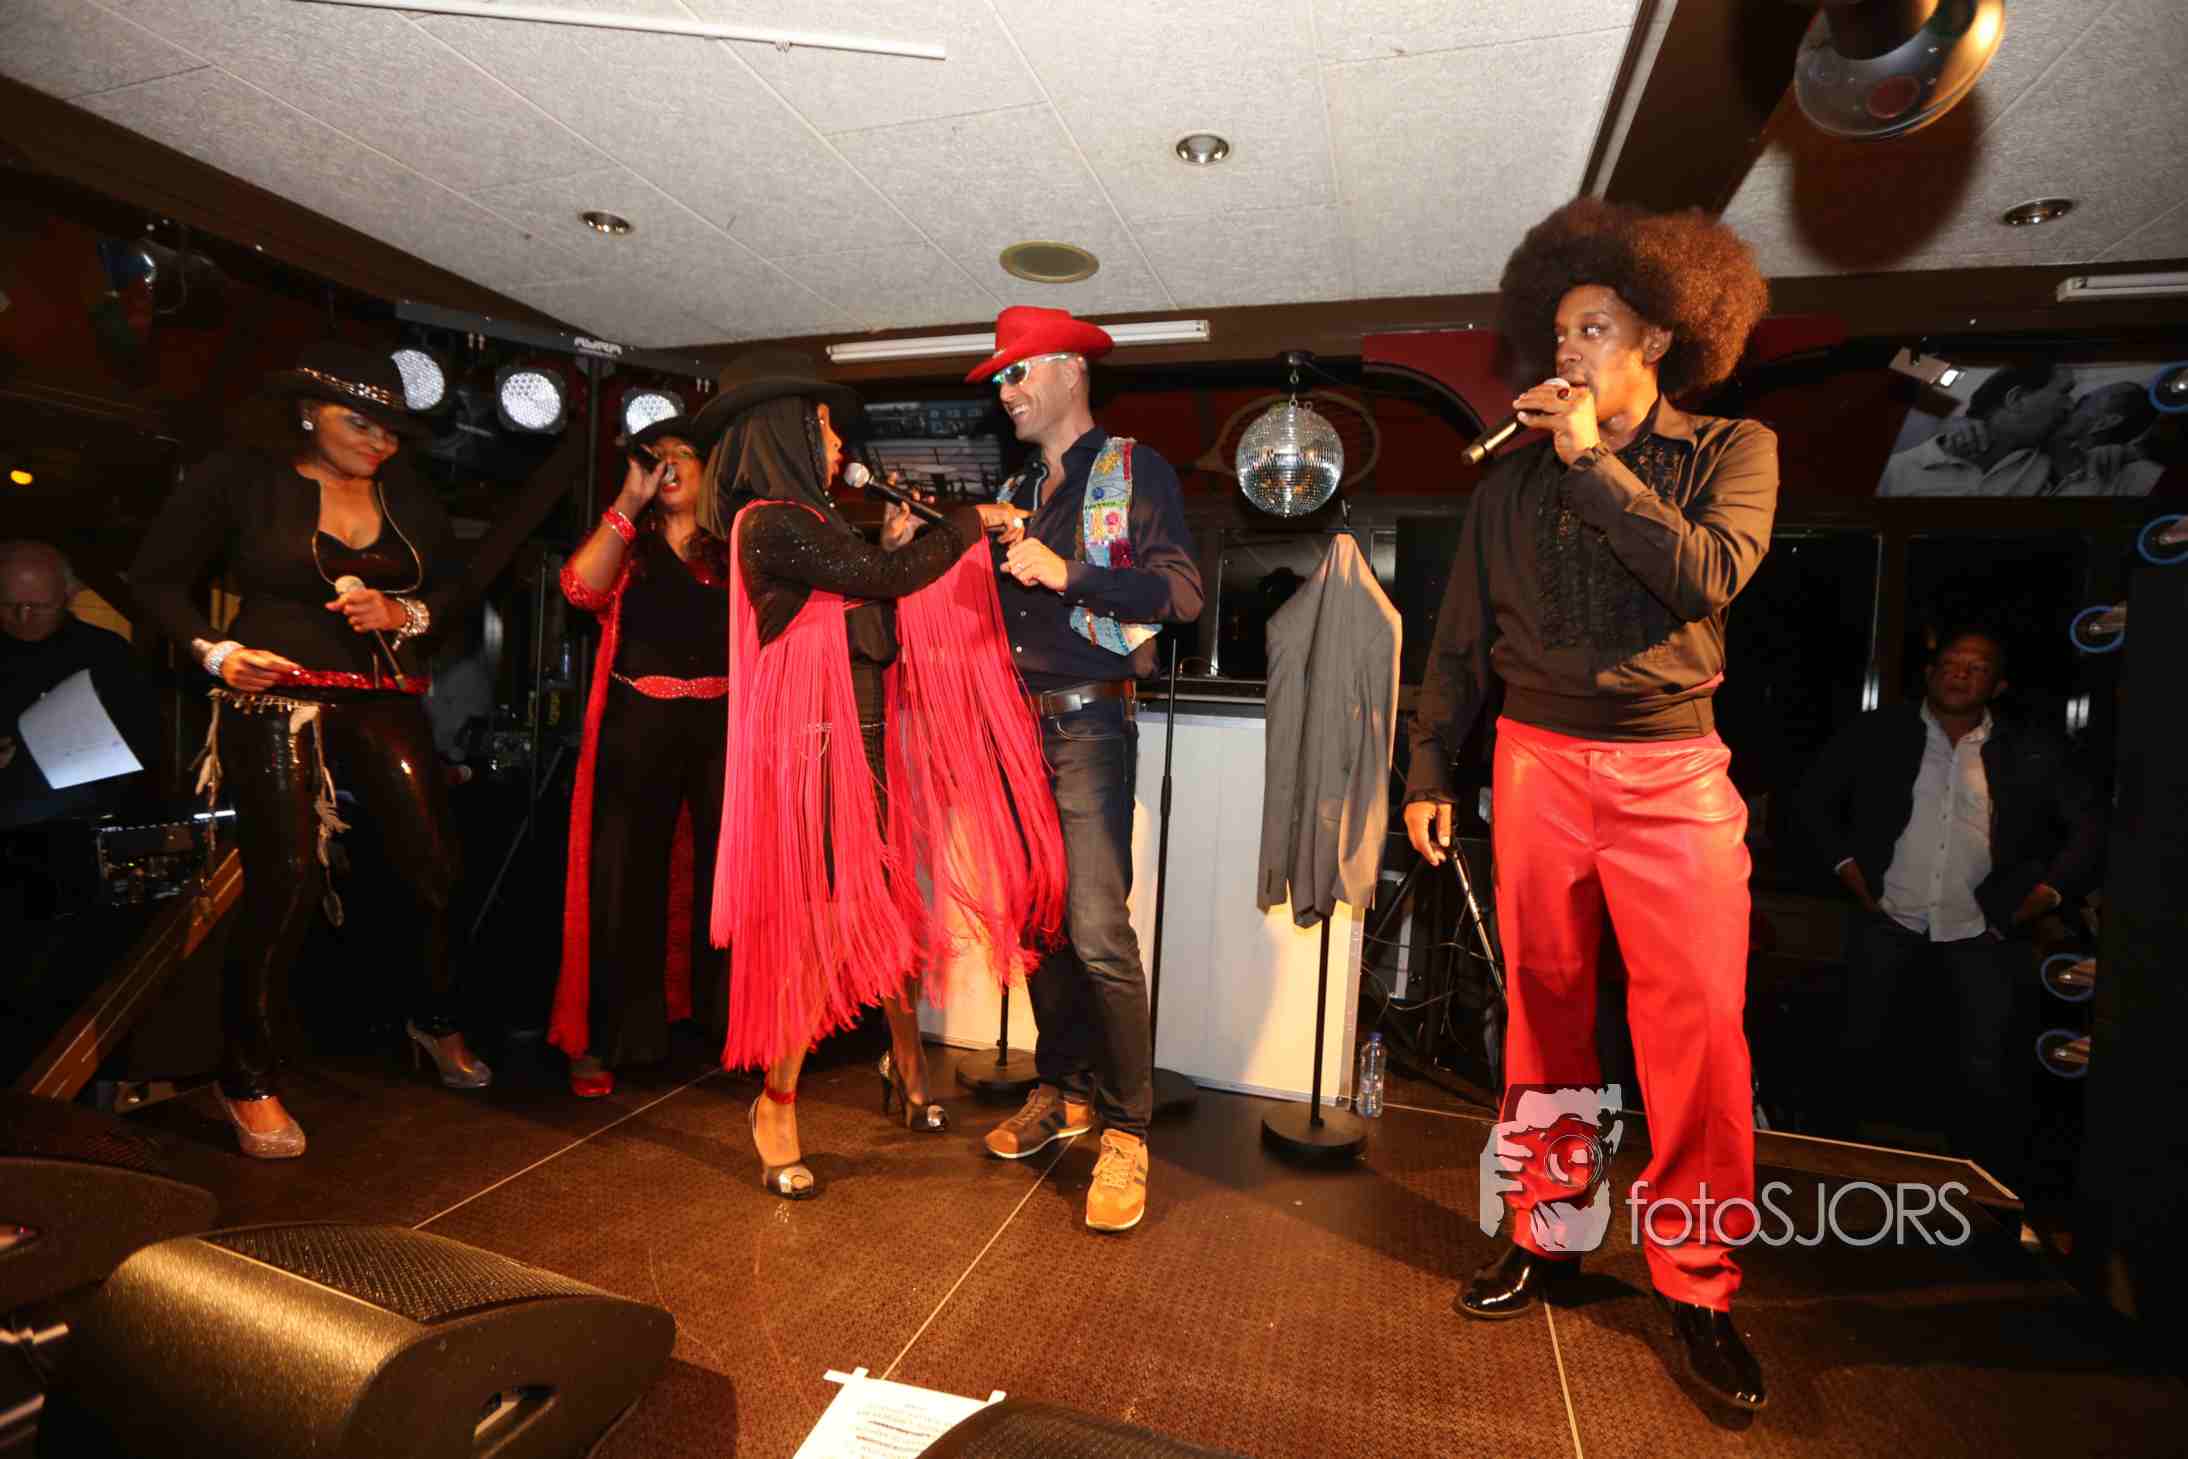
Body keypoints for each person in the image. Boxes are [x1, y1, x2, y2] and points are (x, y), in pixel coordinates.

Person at [1402, 199, 1775, 1410]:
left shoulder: (1732, 450)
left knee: (1698, 1033)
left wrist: (1591, 462)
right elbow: (1459, 639)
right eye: (1558, 332)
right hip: (1536, 761)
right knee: (1544, 1018)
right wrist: (1426, 770)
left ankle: (1697, 1284)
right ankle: (1546, 1233)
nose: (1567, 350)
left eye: (1593, 328)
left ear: (1658, 337)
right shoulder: (1508, 482)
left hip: (1673, 768)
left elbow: (1704, 575)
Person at [703, 350, 1052, 1199]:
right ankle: (776, 1101)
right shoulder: (770, 522)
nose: (837, 447)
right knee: (820, 935)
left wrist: (896, 548)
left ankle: (900, 1068)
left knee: (881, 910)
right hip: (816, 752)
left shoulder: (810, 527)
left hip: (857, 744)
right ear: (786, 433)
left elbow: (875, 601)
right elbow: (882, 579)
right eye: (825, 430)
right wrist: (966, 522)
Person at [130, 340, 488, 1160]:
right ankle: (245, 1074)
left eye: (391, 430)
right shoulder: (239, 478)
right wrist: (218, 653)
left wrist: (406, 614)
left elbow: (457, 588)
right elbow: (154, 580)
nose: (379, 442)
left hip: (380, 692)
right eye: (360, 423)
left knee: (434, 864)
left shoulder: (406, 494)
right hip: (273, 692)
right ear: (306, 412)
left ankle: (431, 1017)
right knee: (287, 876)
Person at [969, 307, 1204, 1235]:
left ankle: (1126, 1129)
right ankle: (1061, 1091)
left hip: (1090, 724)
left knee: (1100, 929)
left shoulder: (1135, 469)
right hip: (1013, 726)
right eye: (1000, 379)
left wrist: (1068, 572)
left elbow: (1180, 592)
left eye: (1018, 373)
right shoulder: (1018, 487)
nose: (1006, 392)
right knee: (1039, 925)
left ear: (1070, 371)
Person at [1794, 626, 2103, 1181]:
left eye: (1977, 667)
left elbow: (2089, 827)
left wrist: (2047, 894)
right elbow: (1813, 801)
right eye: (1951, 664)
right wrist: (1847, 869)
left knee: (1987, 1067)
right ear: (1929, 674)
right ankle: (1829, 1177)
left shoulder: (2030, 747)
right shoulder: (1879, 731)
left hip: (1983, 927)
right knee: (1855, 1048)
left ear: (1998, 685)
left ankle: (1980, 1191)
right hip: (1888, 915)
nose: (1960, 674)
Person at [549, 416, 727, 1098]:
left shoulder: (735, 546)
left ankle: (723, 1026)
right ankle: (602, 1038)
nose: (671, 464)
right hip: (638, 724)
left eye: (686, 453)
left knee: (723, 881)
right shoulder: (632, 545)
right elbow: (578, 590)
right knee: (622, 878)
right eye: (660, 456)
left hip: (721, 727)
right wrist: (629, 499)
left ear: (712, 468)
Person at [1, 540, 159, 829]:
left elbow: (143, 740)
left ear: (69, 596)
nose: (23, 617)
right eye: (9, 605)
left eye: (40, 606)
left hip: (82, 814)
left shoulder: (106, 652)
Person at [1877, 360, 2075, 497]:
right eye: (2065, 393)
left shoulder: (2048, 461)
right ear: (2016, 399)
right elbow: (1898, 359)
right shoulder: (1894, 472)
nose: (2071, 404)